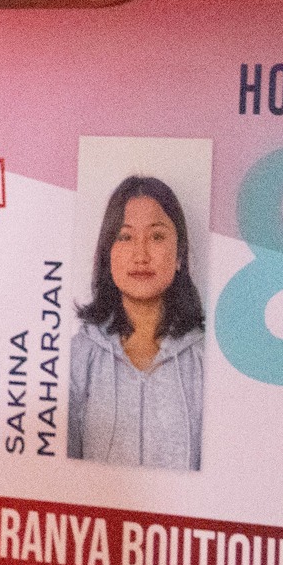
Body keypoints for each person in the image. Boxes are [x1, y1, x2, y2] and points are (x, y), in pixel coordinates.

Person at [67, 176, 205, 471]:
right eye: (125, 237)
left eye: (156, 237)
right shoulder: (77, 356)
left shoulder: (207, 359)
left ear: (179, 256)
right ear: (108, 253)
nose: (141, 255)